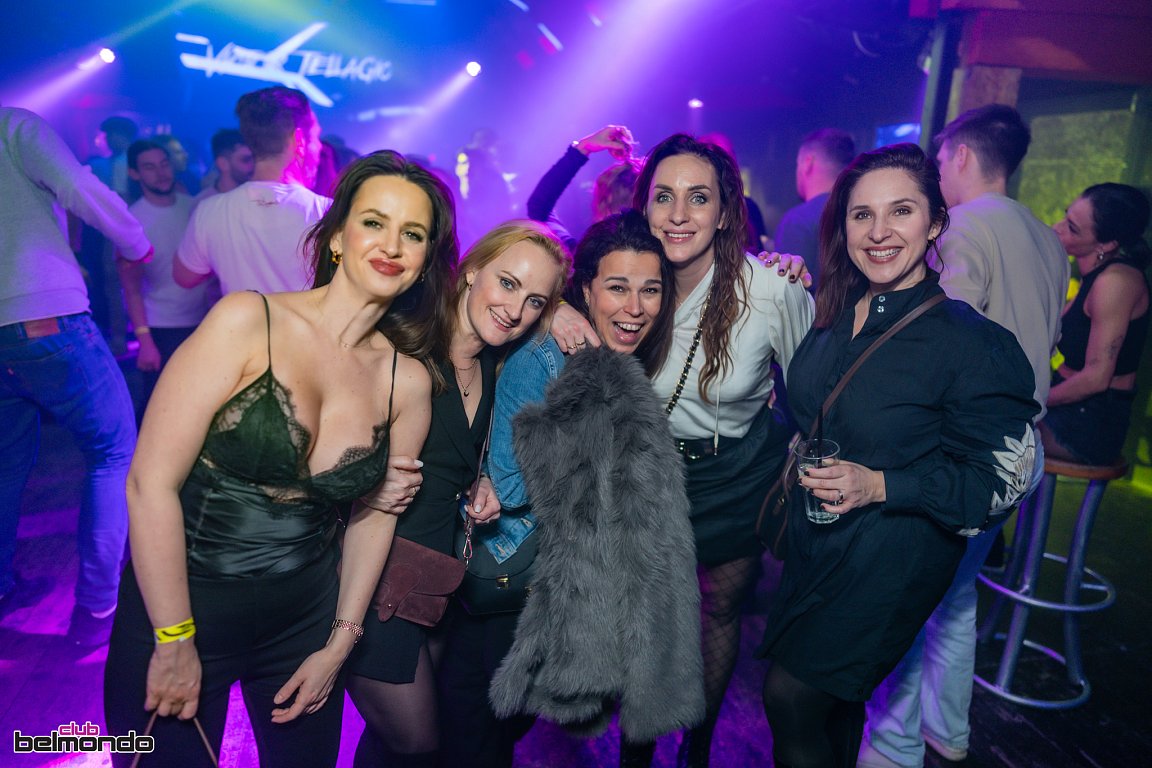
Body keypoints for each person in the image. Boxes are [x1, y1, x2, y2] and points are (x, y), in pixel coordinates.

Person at [103, 150, 452, 767]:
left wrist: (340, 644)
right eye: (374, 222)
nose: (392, 244)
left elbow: (375, 518)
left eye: (414, 233)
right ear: (337, 236)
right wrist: (174, 638)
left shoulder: (408, 382)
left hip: (303, 626)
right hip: (178, 612)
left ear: (425, 260)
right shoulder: (247, 321)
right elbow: (149, 483)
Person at [757, 143, 1040, 768]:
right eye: (862, 215)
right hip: (815, 542)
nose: (879, 232)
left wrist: (880, 485)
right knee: (839, 702)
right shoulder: (831, 316)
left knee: (790, 698)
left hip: (892, 555)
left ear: (935, 223)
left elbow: (997, 483)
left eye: (901, 211)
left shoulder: (969, 343)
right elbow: (811, 411)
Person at [552, 133, 813, 767]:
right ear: (643, 205)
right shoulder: (630, 277)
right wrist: (553, 311)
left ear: (725, 211)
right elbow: (532, 268)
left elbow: (812, 393)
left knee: (719, 613)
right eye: (663, 196)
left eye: (698, 198)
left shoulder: (771, 289)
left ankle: (697, 747)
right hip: (645, 473)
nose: (678, 214)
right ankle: (636, 751)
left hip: (736, 473)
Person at [439, 211, 694, 768]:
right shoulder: (546, 358)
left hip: (551, 591)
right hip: (509, 586)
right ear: (586, 291)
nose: (635, 307)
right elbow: (509, 483)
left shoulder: (608, 361)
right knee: (470, 740)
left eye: (650, 290)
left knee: (498, 733)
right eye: (617, 288)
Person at [860, 103, 1068, 768]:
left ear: (962, 156)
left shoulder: (964, 228)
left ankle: (891, 746)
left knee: (908, 592)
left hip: (964, 448)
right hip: (1021, 446)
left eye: (942, 159)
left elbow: (943, 336)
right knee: (952, 597)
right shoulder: (1047, 238)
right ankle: (947, 729)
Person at [346, 220, 571, 768]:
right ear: (471, 270)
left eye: (534, 301)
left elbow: (460, 456)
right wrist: (366, 478)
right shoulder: (404, 338)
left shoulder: (497, 362)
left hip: (433, 581)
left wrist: (483, 479)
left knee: (393, 742)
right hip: (368, 577)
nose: (514, 309)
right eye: (507, 283)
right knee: (420, 743)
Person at [0, 107, 151, 645]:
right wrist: (136, 243)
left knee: (5, 467)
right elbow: (77, 187)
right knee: (113, 453)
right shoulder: (14, 126)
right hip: (44, 315)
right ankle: (96, 609)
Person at [175, 86, 328, 295]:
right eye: (317, 138)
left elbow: (184, 277)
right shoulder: (328, 212)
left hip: (241, 318)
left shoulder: (210, 211)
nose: (319, 147)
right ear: (299, 140)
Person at [1043, 183, 1150, 465]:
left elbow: (1097, 378)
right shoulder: (1093, 275)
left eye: (1072, 228)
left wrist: (1034, 402)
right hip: (1067, 406)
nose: (1057, 228)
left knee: (980, 433)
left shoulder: (1115, 283)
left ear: (1106, 244)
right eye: (1066, 216)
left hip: (1089, 422)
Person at [118, 139, 216, 419]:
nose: (160, 173)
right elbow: (131, 288)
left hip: (204, 320)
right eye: (149, 167)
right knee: (162, 410)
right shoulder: (132, 221)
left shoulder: (194, 206)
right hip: (163, 328)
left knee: (204, 405)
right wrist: (144, 341)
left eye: (164, 165)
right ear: (135, 173)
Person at [525, 124, 641, 250]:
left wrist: (584, 147)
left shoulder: (578, 258)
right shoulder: (657, 258)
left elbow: (539, 207)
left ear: (605, 201)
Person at [775, 128, 856, 288]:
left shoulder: (799, 220)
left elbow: (786, 292)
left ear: (807, 163)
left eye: (797, 164)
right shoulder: (860, 212)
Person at [195, 128, 255, 203]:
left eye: (254, 159)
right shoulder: (203, 203)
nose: (252, 165)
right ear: (223, 164)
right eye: (245, 160)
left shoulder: (259, 197)